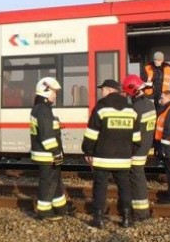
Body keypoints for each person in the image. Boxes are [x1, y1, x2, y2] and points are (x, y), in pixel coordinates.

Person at [82, 79, 140, 228]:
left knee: (100, 187)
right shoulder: (130, 109)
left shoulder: (101, 108)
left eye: (103, 89)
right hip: (123, 158)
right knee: (124, 187)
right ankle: (127, 218)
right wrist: (129, 151)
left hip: (102, 157)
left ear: (108, 90)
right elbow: (137, 138)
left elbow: (92, 133)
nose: (101, 91)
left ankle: (99, 218)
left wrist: (88, 150)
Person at [29, 77, 74, 220]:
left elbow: (47, 129)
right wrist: (56, 152)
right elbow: (46, 136)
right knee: (48, 183)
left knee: (55, 182)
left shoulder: (42, 109)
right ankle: (44, 212)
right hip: (47, 154)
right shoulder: (43, 110)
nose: (55, 95)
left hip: (47, 154)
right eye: (54, 92)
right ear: (46, 91)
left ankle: (61, 208)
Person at [121, 75, 157, 221]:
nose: (127, 95)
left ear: (133, 90)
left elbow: (133, 133)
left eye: (128, 93)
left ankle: (141, 214)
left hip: (136, 150)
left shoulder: (136, 108)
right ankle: (139, 212)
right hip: (145, 146)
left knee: (136, 181)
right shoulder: (149, 104)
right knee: (138, 178)